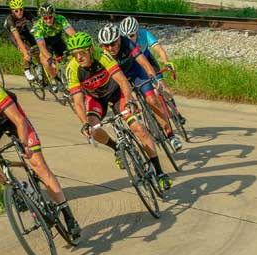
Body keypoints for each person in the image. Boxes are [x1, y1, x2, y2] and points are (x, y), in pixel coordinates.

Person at [0, 67, 81, 238]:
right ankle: (15, 186)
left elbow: (18, 120)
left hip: (12, 120)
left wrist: (24, 144)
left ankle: (67, 215)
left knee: (38, 164)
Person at [64, 32, 173, 190]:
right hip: (96, 99)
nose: (79, 57)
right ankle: (116, 148)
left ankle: (159, 172)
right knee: (93, 129)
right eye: (74, 54)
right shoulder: (72, 69)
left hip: (116, 93)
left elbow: (122, 80)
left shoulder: (102, 55)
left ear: (90, 50)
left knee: (139, 129)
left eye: (81, 53)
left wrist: (129, 101)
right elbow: (78, 103)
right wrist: (84, 124)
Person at [98, 23, 182, 151]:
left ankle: (170, 135)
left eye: (113, 44)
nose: (110, 48)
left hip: (136, 71)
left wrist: (153, 78)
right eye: (106, 45)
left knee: (152, 100)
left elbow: (143, 60)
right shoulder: (102, 53)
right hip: (119, 78)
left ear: (119, 39)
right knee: (126, 105)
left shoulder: (127, 43)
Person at [119, 15, 186, 125]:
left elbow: (158, 48)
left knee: (162, 87)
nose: (129, 39)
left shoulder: (144, 34)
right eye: (126, 36)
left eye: (132, 35)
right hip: (133, 66)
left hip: (148, 61)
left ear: (137, 32)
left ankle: (176, 114)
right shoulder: (122, 42)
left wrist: (166, 62)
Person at [30, 2, 76, 88]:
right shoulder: (39, 27)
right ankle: (56, 79)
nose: (48, 20)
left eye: (50, 17)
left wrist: (77, 45)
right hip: (47, 44)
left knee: (70, 57)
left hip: (58, 41)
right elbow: (41, 45)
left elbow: (72, 33)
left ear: (54, 15)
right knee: (46, 62)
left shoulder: (60, 19)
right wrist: (49, 58)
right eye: (45, 18)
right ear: (42, 18)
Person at [3, 0, 39, 82]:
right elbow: (17, 38)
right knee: (27, 54)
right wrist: (24, 51)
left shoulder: (26, 13)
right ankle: (26, 69)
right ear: (12, 11)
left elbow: (35, 21)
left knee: (37, 51)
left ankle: (38, 67)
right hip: (14, 35)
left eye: (21, 9)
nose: (19, 12)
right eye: (16, 10)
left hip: (24, 31)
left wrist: (35, 27)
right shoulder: (10, 20)